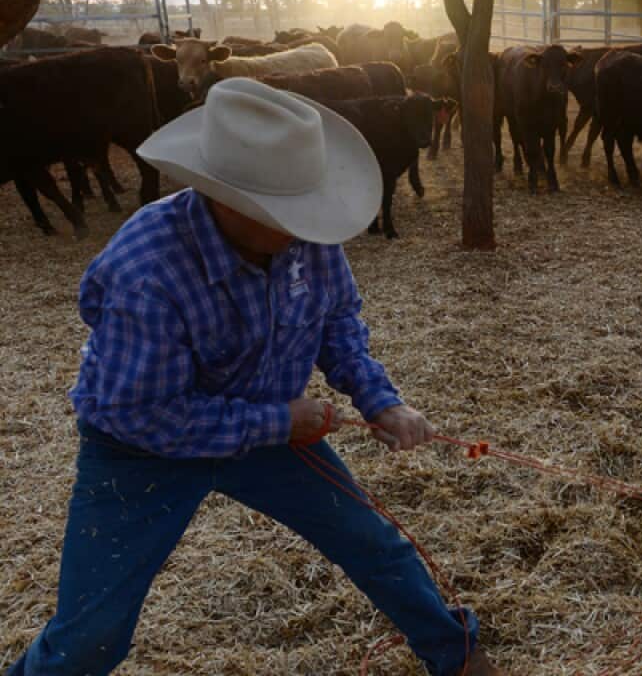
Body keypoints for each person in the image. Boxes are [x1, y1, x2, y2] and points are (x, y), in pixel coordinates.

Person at [5, 78, 503, 676]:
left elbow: (337, 320)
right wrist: (279, 421)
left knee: (371, 542)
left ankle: (457, 656)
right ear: (228, 201)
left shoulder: (307, 236)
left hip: (271, 430)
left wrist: (379, 399)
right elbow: (137, 414)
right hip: (141, 454)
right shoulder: (148, 269)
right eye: (288, 214)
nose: (306, 226)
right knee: (92, 633)